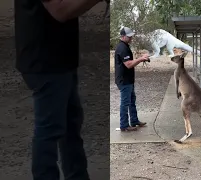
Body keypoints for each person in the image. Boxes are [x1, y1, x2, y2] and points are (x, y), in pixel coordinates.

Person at [14, 0, 104, 179]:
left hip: (61, 58)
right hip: (45, 60)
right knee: (50, 131)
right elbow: (59, 10)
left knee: (70, 127)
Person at [114, 27, 150, 131]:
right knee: (125, 103)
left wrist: (140, 58)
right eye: (129, 36)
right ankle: (124, 126)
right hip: (124, 80)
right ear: (123, 36)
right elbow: (129, 64)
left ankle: (134, 120)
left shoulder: (125, 46)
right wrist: (141, 59)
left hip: (128, 79)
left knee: (131, 100)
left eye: (131, 36)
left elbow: (129, 62)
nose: (131, 38)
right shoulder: (122, 48)